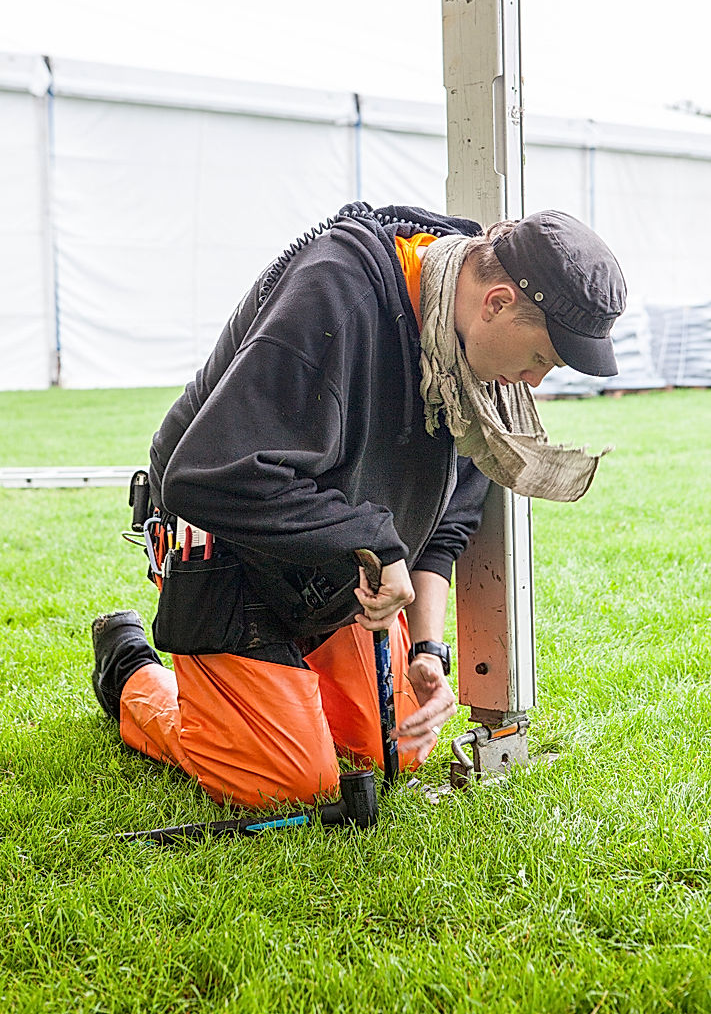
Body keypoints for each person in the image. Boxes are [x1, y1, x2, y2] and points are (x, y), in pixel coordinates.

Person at [91, 202, 626, 811]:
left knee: (395, 747)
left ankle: (282, 691)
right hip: (227, 551)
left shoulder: (471, 374)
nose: (534, 382)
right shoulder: (337, 292)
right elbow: (206, 477)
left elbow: (448, 524)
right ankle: (129, 667)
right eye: (540, 359)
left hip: (330, 563)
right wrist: (370, 540)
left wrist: (426, 650)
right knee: (286, 785)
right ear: (497, 302)